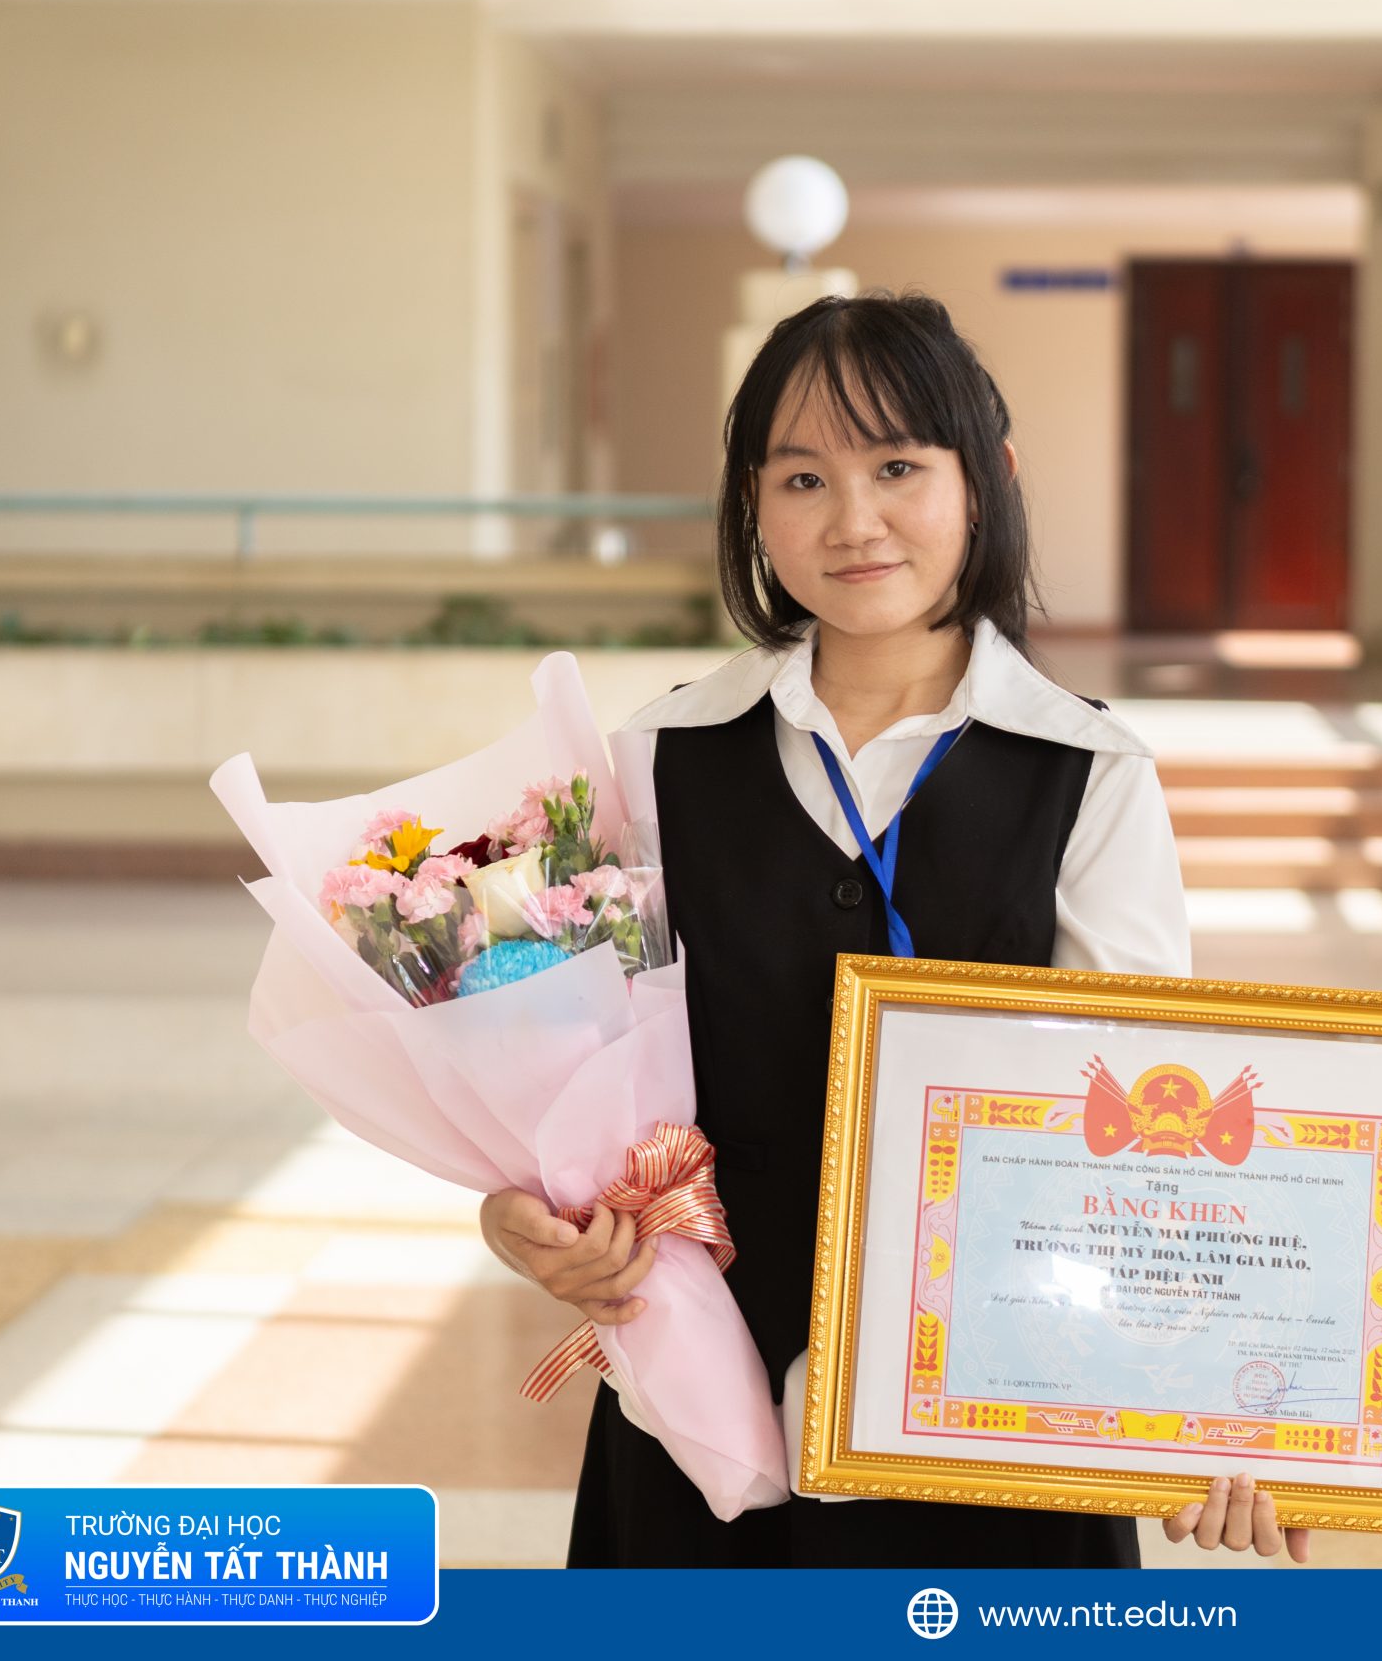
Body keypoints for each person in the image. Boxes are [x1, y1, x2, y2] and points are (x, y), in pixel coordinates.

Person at [480, 289, 1310, 1568]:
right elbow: (568, 1086)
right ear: (752, 505)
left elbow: (1157, 1153)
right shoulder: (654, 759)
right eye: (803, 478)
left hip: (1000, 1428)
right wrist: (526, 1219)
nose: (853, 520)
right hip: (700, 1413)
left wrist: (1216, 1407)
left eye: (898, 468)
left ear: (988, 481)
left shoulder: (1088, 774)